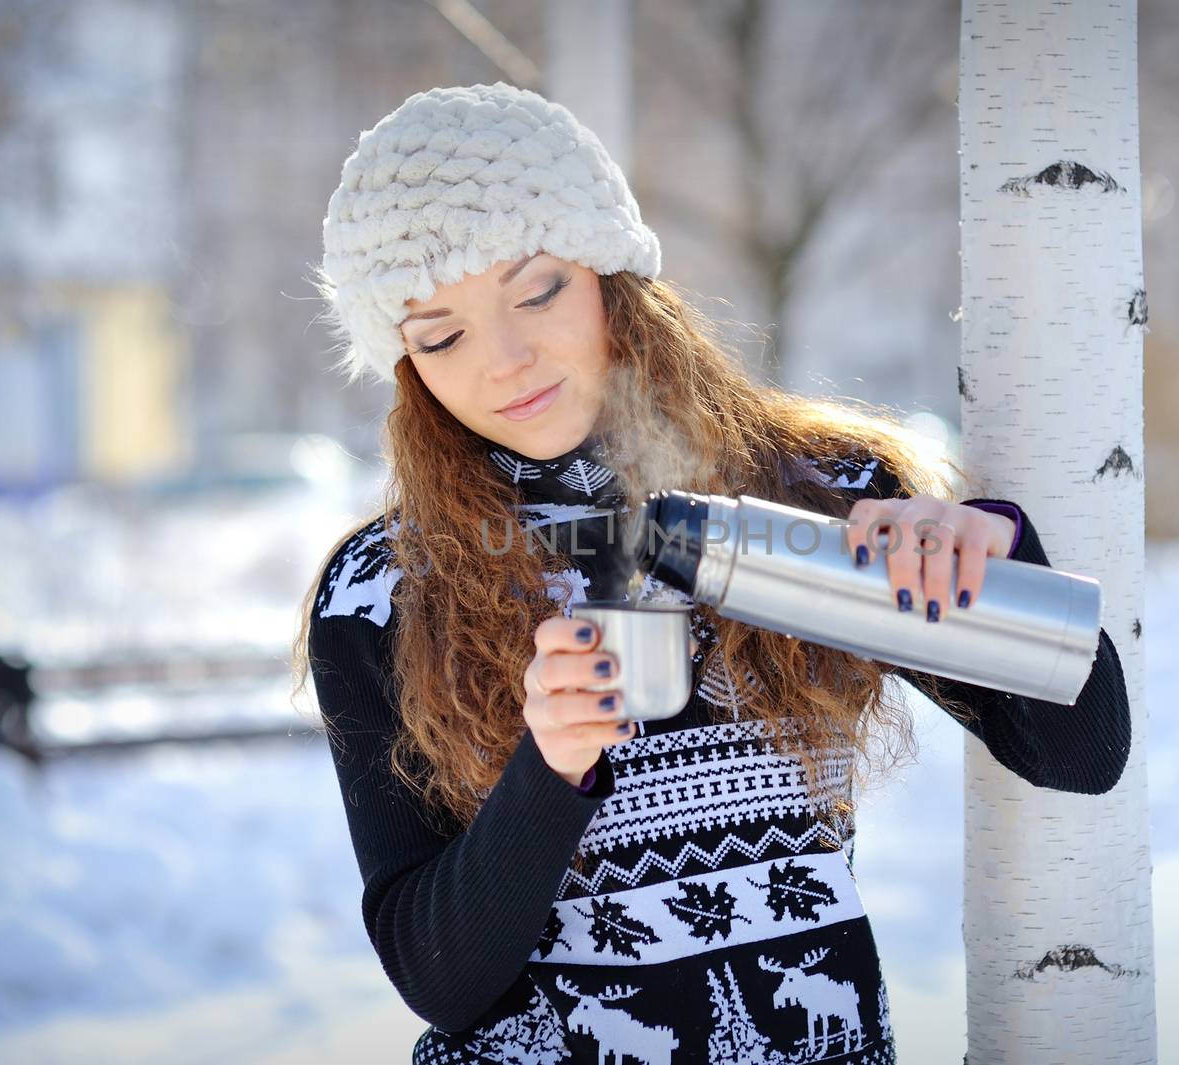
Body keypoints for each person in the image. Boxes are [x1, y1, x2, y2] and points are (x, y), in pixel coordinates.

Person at [293, 81, 1131, 1065]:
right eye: (441, 335)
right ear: (405, 362)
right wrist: (550, 767)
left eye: (537, 291)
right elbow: (435, 972)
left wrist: (985, 559)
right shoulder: (385, 587)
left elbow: (1080, 756)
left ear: (610, 274)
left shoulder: (812, 496)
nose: (507, 360)